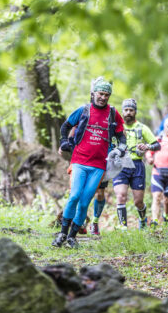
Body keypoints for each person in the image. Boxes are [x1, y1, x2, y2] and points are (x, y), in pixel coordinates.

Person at [52, 77, 126, 248]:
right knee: (74, 196)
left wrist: (121, 148)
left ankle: (72, 237)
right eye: (101, 94)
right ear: (94, 93)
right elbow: (65, 126)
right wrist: (64, 142)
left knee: (85, 202)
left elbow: (121, 135)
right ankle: (62, 234)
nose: (103, 97)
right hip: (79, 161)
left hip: (99, 165)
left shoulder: (113, 113)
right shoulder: (84, 110)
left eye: (107, 95)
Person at [112, 99, 161, 230]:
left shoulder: (142, 128)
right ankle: (123, 227)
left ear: (135, 112)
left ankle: (142, 218)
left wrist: (146, 146)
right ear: (122, 112)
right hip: (120, 164)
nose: (128, 112)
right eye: (126, 110)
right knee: (121, 196)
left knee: (138, 202)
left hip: (137, 165)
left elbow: (157, 145)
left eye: (131, 110)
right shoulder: (116, 127)